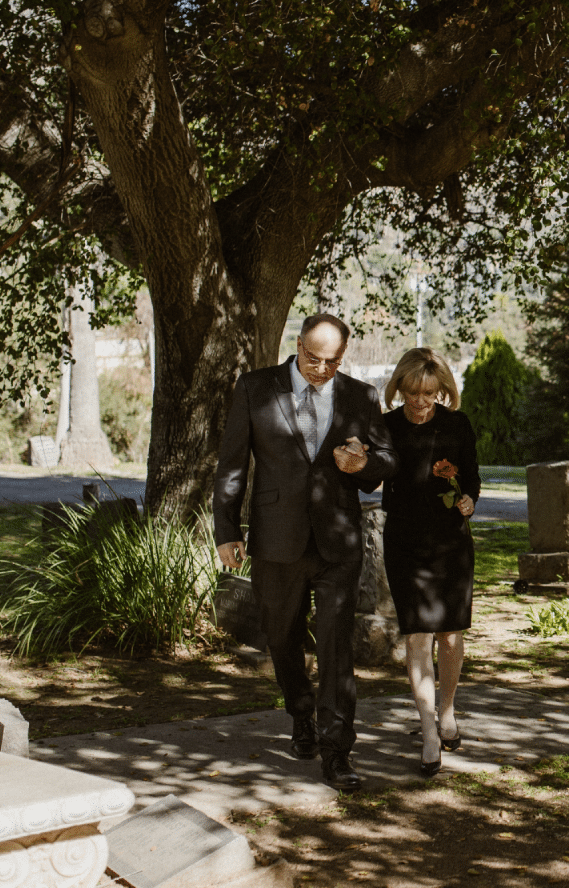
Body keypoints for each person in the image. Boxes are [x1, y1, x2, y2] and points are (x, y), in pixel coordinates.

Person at [213, 313, 397, 792]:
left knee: (337, 649)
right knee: (282, 638)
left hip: (338, 542)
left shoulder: (361, 395)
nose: (321, 369)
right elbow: (232, 464)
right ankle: (301, 714)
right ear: (298, 345)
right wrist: (226, 530)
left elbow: (386, 462)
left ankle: (338, 752)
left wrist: (363, 464)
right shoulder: (255, 388)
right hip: (277, 539)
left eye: (332, 362)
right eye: (313, 358)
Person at [377, 346, 481, 776]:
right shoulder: (384, 427)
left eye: (429, 393)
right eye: (413, 393)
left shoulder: (457, 424)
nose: (420, 402)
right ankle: (427, 732)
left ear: (442, 391)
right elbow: (370, 473)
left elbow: (472, 474)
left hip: (451, 542)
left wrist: (469, 499)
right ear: (399, 388)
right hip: (405, 542)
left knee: (451, 636)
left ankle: (448, 710)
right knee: (418, 638)